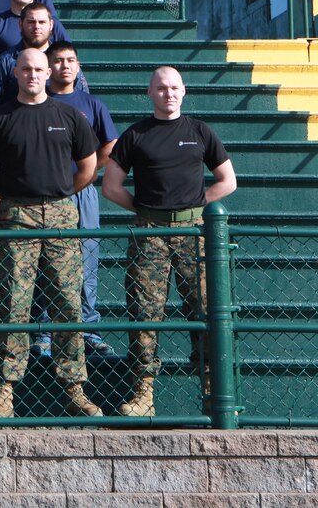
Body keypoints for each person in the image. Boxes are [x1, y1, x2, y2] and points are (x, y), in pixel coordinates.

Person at [0, 49, 102, 418]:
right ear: (15, 72)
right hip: (17, 214)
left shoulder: (69, 116)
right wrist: (13, 196)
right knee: (14, 302)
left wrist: (60, 193)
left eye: (38, 69)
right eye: (25, 69)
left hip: (61, 213)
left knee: (66, 300)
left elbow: (88, 166)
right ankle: (5, 391)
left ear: (48, 73)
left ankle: (74, 387)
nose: (32, 74)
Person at [102, 66, 237, 418]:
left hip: (194, 234)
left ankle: (213, 393)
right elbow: (111, 186)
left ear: (184, 91)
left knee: (206, 312)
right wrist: (145, 210)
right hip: (149, 233)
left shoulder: (200, 131)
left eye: (174, 87)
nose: (168, 93)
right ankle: (143, 394)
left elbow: (227, 180)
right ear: (150, 92)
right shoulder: (136, 135)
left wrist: (195, 204)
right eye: (161, 88)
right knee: (144, 315)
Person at [29, 42, 118, 359]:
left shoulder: (92, 104)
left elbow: (111, 145)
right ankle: (43, 332)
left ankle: (88, 330)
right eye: (58, 60)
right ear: (48, 67)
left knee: (86, 257)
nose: (65, 65)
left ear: (78, 66)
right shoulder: (36, 101)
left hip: (81, 191)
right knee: (41, 258)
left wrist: (85, 172)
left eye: (71, 60)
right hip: (43, 193)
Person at [0, 3, 87, 109]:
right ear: (20, 24)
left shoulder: (66, 62)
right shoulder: (5, 62)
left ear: (51, 25)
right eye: (31, 22)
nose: (36, 27)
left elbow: (83, 101)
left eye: (42, 22)